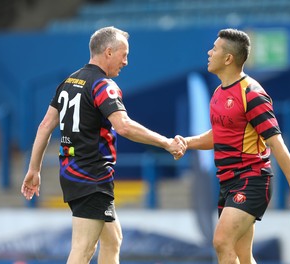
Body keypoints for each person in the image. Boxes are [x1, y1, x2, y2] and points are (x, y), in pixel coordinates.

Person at [20, 26, 186, 264]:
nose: (126, 62)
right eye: (124, 54)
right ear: (108, 52)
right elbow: (124, 126)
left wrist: (34, 169)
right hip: (91, 176)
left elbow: (45, 126)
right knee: (83, 248)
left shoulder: (69, 81)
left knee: (113, 239)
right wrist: (166, 143)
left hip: (74, 172)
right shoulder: (102, 85)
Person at [181, 28, 290, 263]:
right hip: (228, 181)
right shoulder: (218, 93)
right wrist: (187, 142)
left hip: (252, 179)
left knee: (221, 241)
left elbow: (276, 142)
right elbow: (218, 135)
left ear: (228, 58)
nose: (209, 52)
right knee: (243, 256)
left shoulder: (252, 94)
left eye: (215, 48)